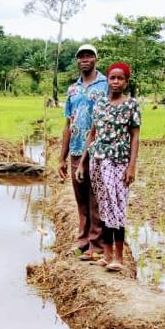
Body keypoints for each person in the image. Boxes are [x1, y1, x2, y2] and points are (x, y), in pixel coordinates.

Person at [76, 62, 141, 272]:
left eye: (119, 78)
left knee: (117, 207)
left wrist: (131, 167)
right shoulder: (100, 104)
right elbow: (92, 134)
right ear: (108, 81)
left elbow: (135, 137)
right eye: (112, 78)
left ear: (126, 82)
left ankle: (119, 258)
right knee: (103, 206)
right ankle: (107, 254)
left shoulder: (131, 105)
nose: (115, 82)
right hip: (98, 161)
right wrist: (83, 162)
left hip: (119, 162)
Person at [58, 44, 108, 258]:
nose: (84, 60)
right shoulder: (73, 89)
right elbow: (68, 124)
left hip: (99, 151)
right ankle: (82, 240)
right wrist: (62, 157)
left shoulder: (106, 84)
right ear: (77, 61)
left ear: (96, 59)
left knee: (95, 197)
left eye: (89, 56)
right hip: (77, 150)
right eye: (81, 57)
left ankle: (96, 245)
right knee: (80, 199)